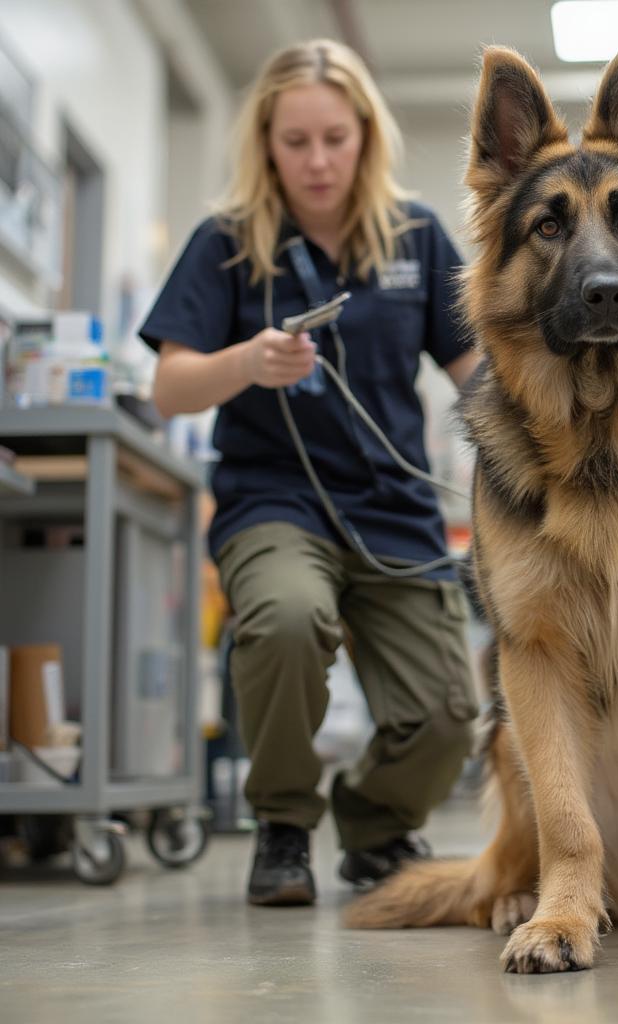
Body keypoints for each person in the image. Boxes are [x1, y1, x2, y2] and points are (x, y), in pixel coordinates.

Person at [139, 39, 481, 906]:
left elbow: (479, 375)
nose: (318, 162)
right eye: (296, 142)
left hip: (395, 507)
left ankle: (372, 826)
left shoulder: (417, 236)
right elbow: (170, 387)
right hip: (274, 502)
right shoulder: (225, 244)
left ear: (367, 135)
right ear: (265, 142)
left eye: (335, 138)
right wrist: (247, 362)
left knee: (448, 714)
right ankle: (283, 825)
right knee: (288, 622)